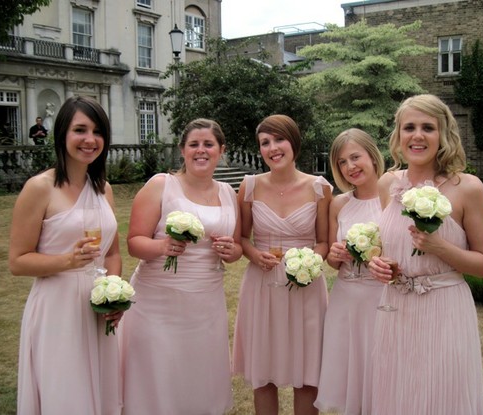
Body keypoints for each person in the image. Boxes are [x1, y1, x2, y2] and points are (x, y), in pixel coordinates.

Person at [367, 94, 483, 415]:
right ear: (398, 136)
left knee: (441, 396)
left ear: (444, 134)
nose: (417, 135)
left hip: (445, 310)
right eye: (409, 127)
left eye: (428, 127)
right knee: (398, 395)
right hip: (395, 309)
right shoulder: (387, 184)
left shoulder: (467, 188)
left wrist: (441, 247)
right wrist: (378, 264)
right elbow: (387, 242)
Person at [120, 118, 242, 414]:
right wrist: (162, 246)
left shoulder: (228, 192)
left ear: (221, 150)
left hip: (206, 304)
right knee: (159, 376)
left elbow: (237, 247)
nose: (201, 151)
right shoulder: (162, 186)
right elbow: (134, 241)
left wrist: (230, 251)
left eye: (208, 144)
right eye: (194, 145)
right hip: (158, 303)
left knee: (197, 377)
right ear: (182, 150)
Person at [9, 96, 123, 415]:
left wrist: (112, 294)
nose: (90, 140)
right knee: (66, 395)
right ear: (62, 134)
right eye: (80, 130)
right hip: (56, 309)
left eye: (98, 131)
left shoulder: (103, 189)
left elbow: (112, 253)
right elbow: (17, 261)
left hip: (98, 309)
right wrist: (67, 262)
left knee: (101, 394)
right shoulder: (39, 188)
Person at [232, 114, 333, 415]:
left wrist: (309, 262)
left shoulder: (320, 188)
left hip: (305, 287)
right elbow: (242, 238)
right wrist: (253, 254)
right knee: (264, 375)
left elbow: (324, 242)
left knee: (307, 375)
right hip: (262, 287)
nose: (273, 148)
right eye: (265, 142)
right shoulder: (249, 186)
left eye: (279, 139)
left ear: (294, 143)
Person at [314, 128, 385, 415]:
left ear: (372, 155)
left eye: (355, 157)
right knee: (349, 376)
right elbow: (332, 259)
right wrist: (334, 254)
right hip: (345, 298)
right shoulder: (339, 203)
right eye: (342, 162)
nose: (350, 167)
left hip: (380, 298)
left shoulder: (394, 198)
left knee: (379, 372)